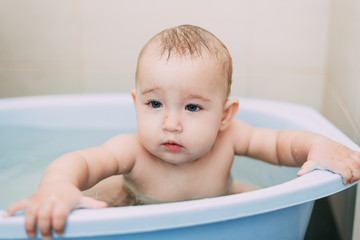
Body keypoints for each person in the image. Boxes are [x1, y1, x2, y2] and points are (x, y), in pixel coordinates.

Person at [4, 25, 360, 239]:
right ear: (135, 103)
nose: (170, 123)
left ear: (224, 115)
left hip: (221, 201)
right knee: (99, 200)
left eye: (192, 107)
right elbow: (78, 160)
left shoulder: (231, 137)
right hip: (135, 203)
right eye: (154, 104)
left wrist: (317, 145)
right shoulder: (130, 151)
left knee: (252, 198)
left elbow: (284, 144)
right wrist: (56, 187)